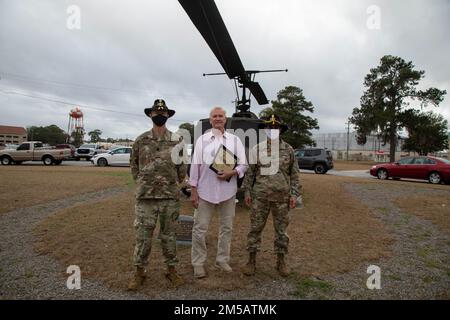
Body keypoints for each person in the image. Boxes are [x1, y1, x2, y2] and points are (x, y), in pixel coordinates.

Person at [128, 99, 186, 290]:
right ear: (150, 115)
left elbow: (181, 169)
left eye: (163, 113)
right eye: (156, 113)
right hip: (146, 198)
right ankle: (139, 273)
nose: (160, 115)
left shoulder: (177, 141)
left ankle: (171, 270)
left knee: (169, 236)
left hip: (169, 197)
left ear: (168, 115)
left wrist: (175, 184)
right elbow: (134, 166)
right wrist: (144, 183)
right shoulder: (141, 140)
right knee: (143, 237)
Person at [189, 107, 247, 279]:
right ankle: (198, 263)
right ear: (210, 119)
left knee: (226, 228)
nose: (218, 118)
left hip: (228, 192)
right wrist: (193, 190)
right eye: (215, 116)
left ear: (225, 119)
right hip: (204, 191)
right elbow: (195, 166)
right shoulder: (202, 140)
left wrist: (232, 172)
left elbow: (244, 165)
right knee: (199, 229)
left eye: (220, 116)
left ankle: (222, 259)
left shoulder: (235, 140)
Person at [242, 114, 301, 277]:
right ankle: (251, 261)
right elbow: (250, 173)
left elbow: (295, 174)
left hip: (281, 198)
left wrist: (294, 195)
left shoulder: (288, 150)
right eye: (269, 127)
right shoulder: (257, 149)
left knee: (281, 231)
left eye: (276, 127)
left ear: (280, 130)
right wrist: (247, 191)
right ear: (265, 130)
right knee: (255, 229)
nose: (272, 130)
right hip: (260, 198)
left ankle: (281, 262)